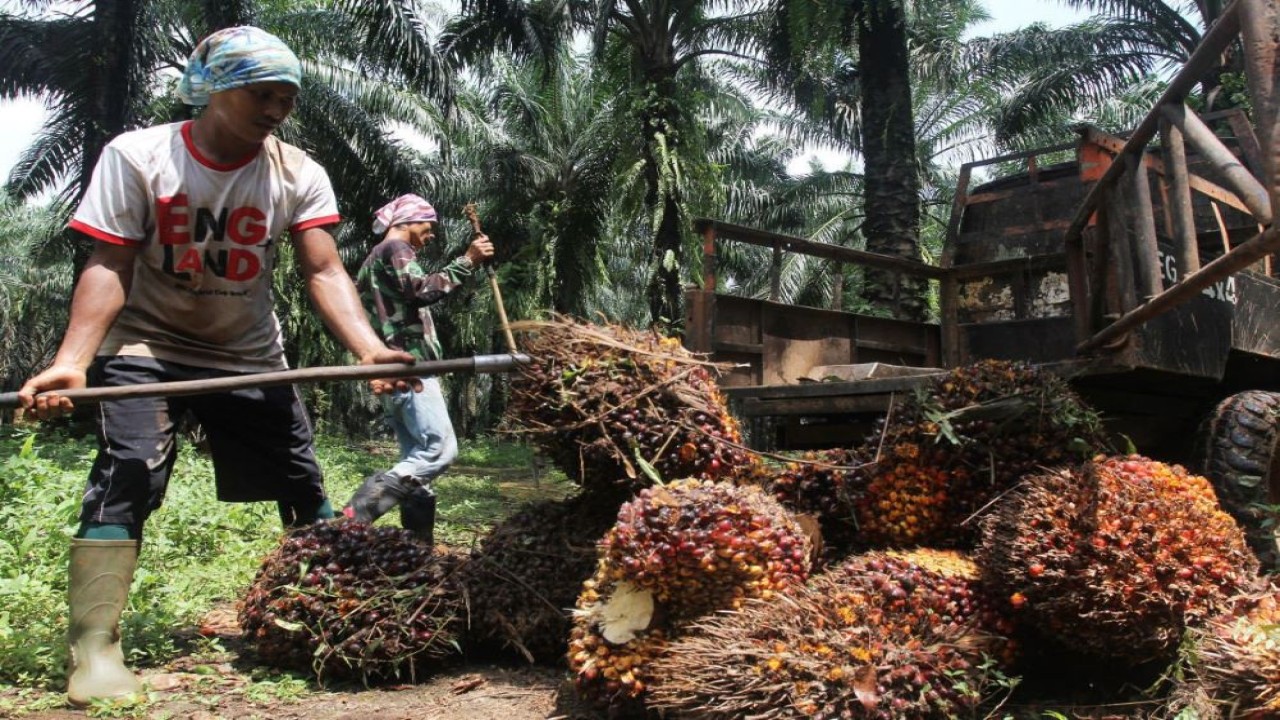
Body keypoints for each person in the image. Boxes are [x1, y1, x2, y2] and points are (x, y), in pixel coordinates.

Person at [16, 26, 413, 706]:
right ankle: (95, 650)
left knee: (298, 475)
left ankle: (328, 611)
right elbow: (108, 261)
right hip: (144, 344)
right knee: (130, 470)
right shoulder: (141, 156)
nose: (276, 111)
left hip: (245, 349)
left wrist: (370, 349)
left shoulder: (297, 171)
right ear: (215, 89)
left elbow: (323, 271)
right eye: (262, 94)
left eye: (286, 98)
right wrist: (72, 362)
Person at [342, 194, 494, 544]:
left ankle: (417, 548)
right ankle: (356, 514)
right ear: (407, 221)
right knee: (440, 451)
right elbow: (422, 291)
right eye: (429, 224)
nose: (431, 234)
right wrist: (467, 261)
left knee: (416, 462)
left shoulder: (371, 262)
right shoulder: (396, 250)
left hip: (393, 369)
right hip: (410, 366)